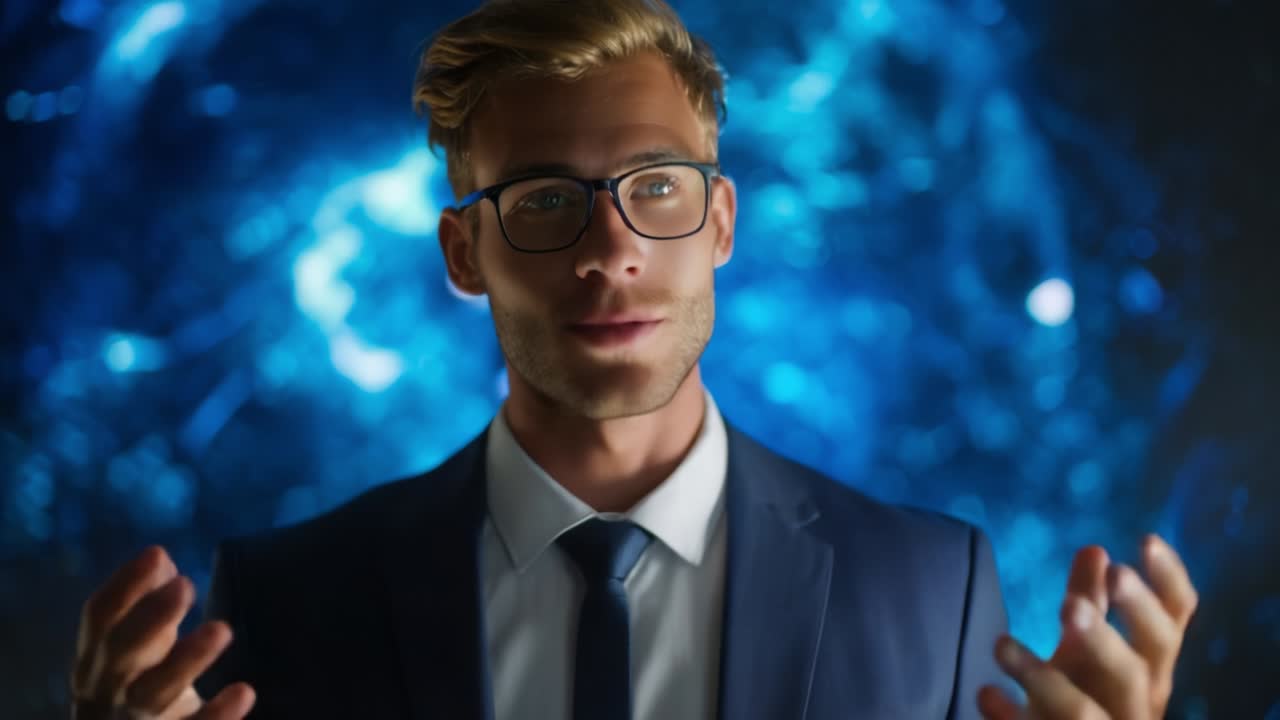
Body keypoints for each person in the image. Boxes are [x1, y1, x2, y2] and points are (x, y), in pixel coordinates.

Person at [69, 1, 1200, 718]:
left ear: (717, 224)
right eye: (545, 199)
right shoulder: (285, 601)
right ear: (464, 252)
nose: (611, 251)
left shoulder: (932, 588)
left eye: (654, 188)